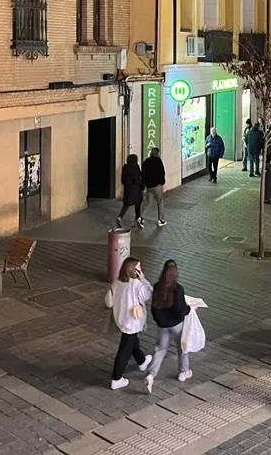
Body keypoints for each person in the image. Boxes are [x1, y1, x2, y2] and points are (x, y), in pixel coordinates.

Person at [145, 260, 193, 392]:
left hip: (162, 326)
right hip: (177, 324)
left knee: (160, 350)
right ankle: (183, 372)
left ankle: (151, 375)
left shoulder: (157, 287)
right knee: (182, 347)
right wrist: (190, 309)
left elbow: (154, 309)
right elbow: (180, 309)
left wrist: (159, 321)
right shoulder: (178, 289)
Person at [105, 257, 153, 389]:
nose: (141, 270)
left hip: (121, 319)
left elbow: (108, 301)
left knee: (132, 341)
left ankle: (141, 361)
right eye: (139, 268)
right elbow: (148, 295)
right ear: (133, 270)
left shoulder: (117, 281)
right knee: (124, 350)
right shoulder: (137, 285)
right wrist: (143, 279)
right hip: (133, 320)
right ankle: (117, 378)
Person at [141, 147, 167, 227]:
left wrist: (145, 183)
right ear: (157, 153)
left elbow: (143, 173)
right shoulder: (158, 161)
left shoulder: (146, 161)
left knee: (148, 203)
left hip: (149, 186)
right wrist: (162, 182)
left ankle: (141, 217)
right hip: (157, 185)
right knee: (160, 202)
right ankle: (160, 220)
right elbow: (162, 172)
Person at [118, 154, 144, 229]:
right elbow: (137, 179)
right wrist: (142, 185)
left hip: (127, 189)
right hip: (136, 190)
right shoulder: (135, 167)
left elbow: (123, 181)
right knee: (138, 205)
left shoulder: (125, 168)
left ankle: (119, 217)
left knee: (126, 205)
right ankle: (137, 220)